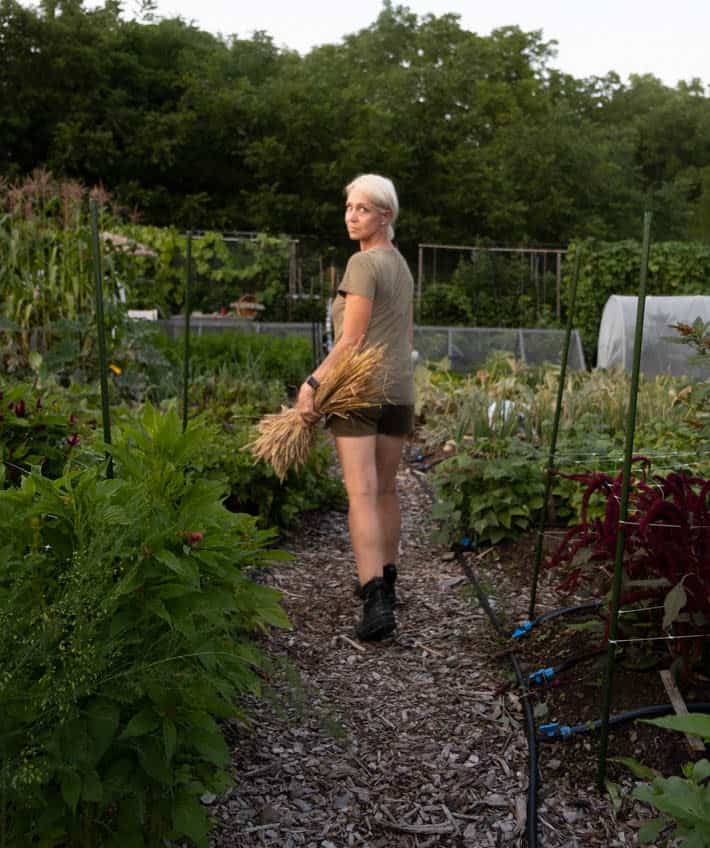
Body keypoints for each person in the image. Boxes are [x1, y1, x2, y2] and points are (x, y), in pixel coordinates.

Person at [295, 174, 415, 642]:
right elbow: (404, 337)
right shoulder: (401, 266)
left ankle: (374, 600)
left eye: (363, 209)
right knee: (386, 490)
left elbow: (351, 340)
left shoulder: (363, 265)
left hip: (360, 391)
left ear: (385, 215)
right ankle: (387, 577)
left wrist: (313, 384)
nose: (351, 216)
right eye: (349, 207)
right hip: (399, 390)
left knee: (362, 493)